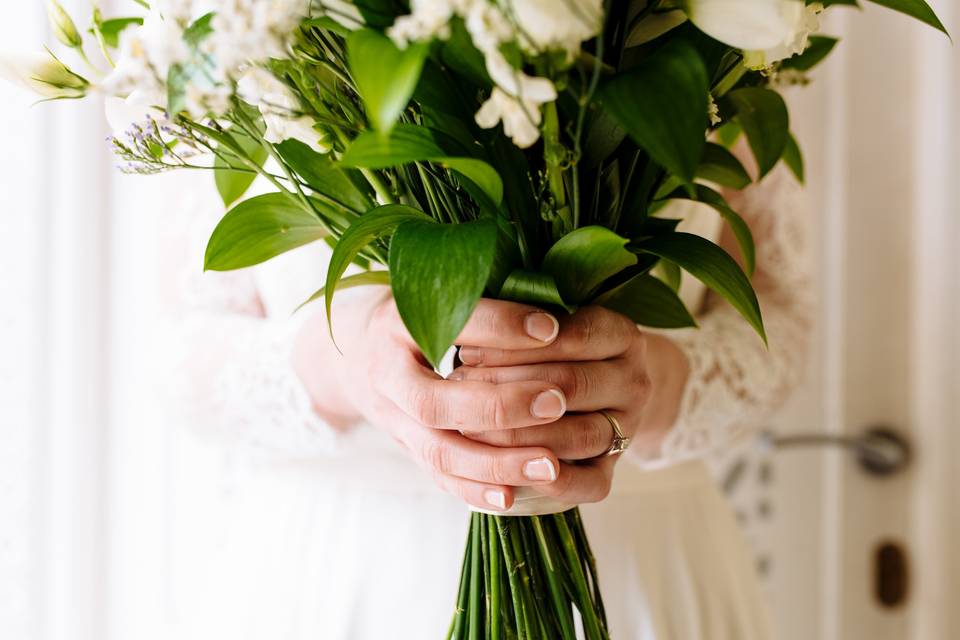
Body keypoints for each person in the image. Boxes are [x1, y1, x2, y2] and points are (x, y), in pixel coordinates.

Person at [168, 144, 811, 639]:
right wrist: (350, 366)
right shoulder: (238, 35)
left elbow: (779, 325)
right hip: (338, 570)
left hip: (649, 572)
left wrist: (645, 384)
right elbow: (180, 353)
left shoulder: (729, 35)